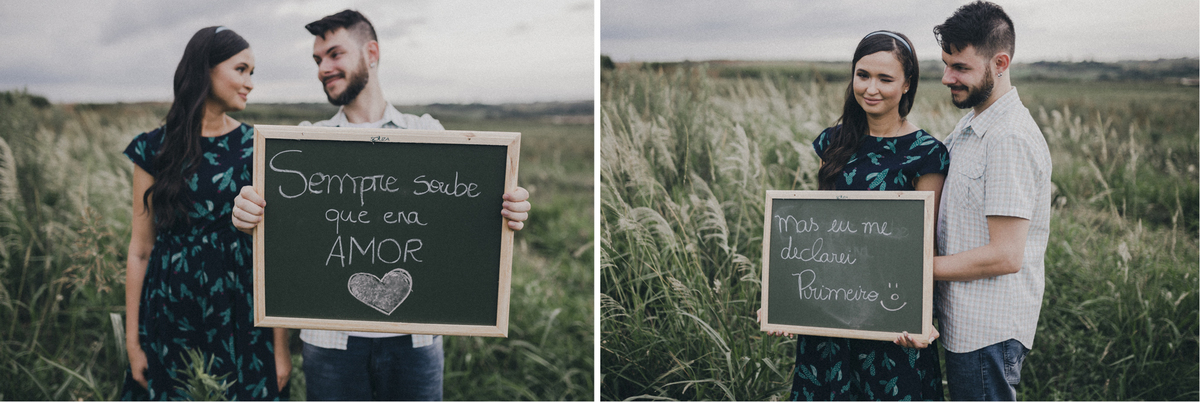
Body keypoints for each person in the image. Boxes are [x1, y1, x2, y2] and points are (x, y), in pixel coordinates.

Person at [231, 9, 531, 401]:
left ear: (371, 53)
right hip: (330, 344)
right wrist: (248, 214)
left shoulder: (428, 134)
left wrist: (510, 209)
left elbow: (468, 217)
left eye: (335, 54)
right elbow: (280, 241)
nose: (324, 68)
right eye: (318, 60)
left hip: (415, 341)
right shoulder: (304, 145)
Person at [760, 30, 948, 401]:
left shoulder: (925, 153)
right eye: (863, 75)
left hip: (890, 325)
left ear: (907, 84)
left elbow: (924, 246)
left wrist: (920, 317)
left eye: (885, 78)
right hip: (828, 319)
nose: (871, 88)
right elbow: (817, 233)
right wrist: (783, 302)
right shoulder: (833, 142)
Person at [122, 26, 290, 400]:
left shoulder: (256, 146)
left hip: (240, 315)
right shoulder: (153, 149)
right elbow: (140, 250)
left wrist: (280, 349)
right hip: (169, 314)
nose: (250, 83)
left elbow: (273, 252)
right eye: (241, 69)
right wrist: (134, 343)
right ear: (205, 69)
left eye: (253, 73)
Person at [927, 1, 1052, 400]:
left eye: (960, 67)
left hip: (988, 332)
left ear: (1000, 63)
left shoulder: (1008, 137)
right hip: (968, 323)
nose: (947, 78)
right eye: (946, 64)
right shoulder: (974, 122)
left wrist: (915, 268)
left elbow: (1006, 255)